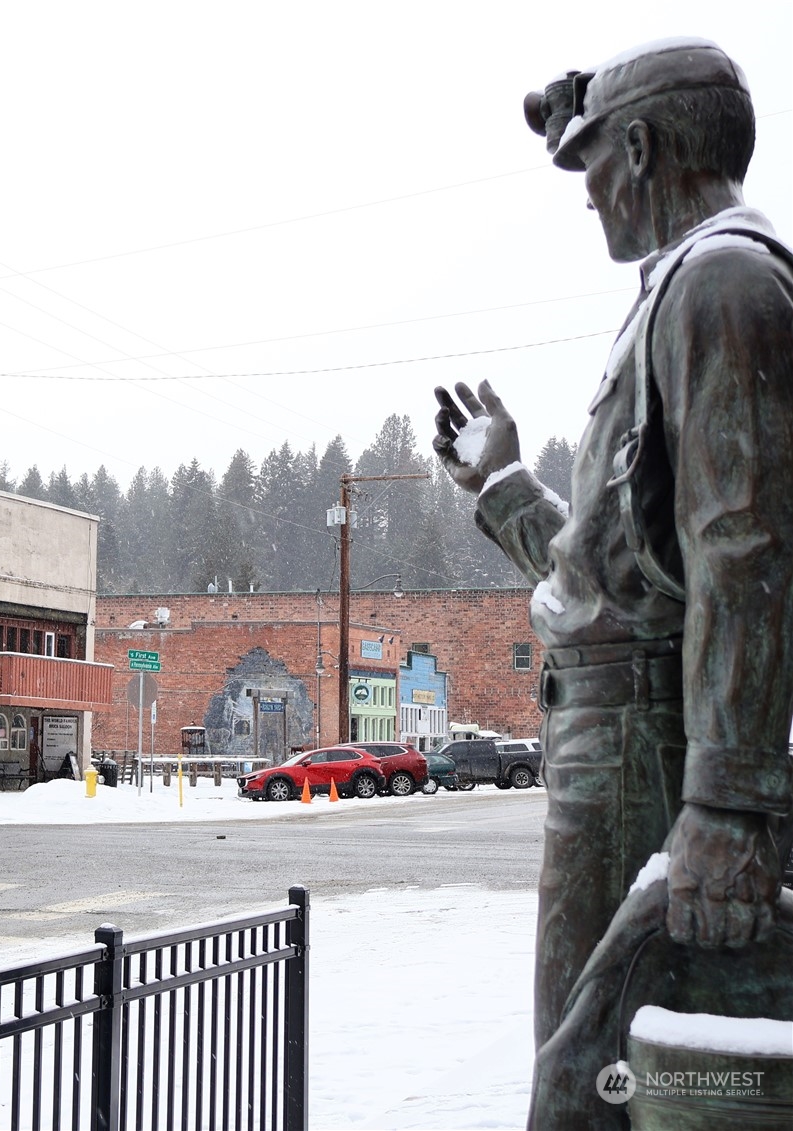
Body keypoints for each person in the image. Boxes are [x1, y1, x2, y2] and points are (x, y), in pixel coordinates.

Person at [432, 37, 793, 1126]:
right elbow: (617, 578)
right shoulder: (679, 292)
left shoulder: (723, 281)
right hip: (613, 746)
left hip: (645, 750)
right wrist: (500, 484)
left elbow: (747, 556)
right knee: (588, 1065)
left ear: (635, 149)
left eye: (589, 169)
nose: (588, 201)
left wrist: (727, 805)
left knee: (603, 1078)